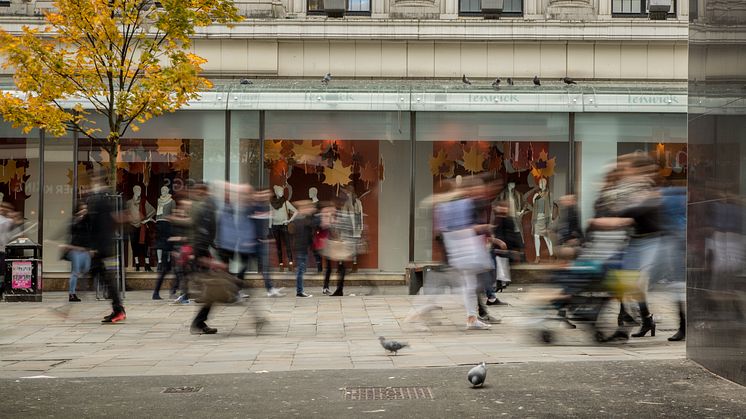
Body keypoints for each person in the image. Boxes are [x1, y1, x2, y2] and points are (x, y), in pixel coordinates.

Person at [435, 177, 492, 330]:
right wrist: (481, 228)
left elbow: (445, 230)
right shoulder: (461, 205)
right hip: (463, 251)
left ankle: (472, 318)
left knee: (469, 285)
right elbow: (455, 231)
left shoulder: (455, 205)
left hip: (461, 251)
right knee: (464, 286)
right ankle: (420, 311)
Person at [87, 172, 126, 323]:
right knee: (102, 275)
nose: (93, 184)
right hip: (104, 244)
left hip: (101, 245)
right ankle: (118, 308)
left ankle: (118, 309)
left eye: (94, 181)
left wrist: (95, 246)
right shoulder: (107, 198)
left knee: (105, 277)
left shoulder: (99, 200)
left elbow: (100, 225)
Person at [62, 202, 91, 302]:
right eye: (82, 209)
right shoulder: (75, 221)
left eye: (85, 209)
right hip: (75, 250)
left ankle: (80, 287)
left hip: (85, 250)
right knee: (75, 272)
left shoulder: (88, 221)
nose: (84, 210)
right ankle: (72, 294)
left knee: (86, 268)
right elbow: (72, 231)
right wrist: (79, 218)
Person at [291, 200, 316, 298]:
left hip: (302, 247)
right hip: (300, 248)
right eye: (308, 208)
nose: (310, 210)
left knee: (301, 269)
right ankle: (299, 291)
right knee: (300, 270)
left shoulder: (301, 219)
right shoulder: (300, 220)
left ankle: (300, 290)